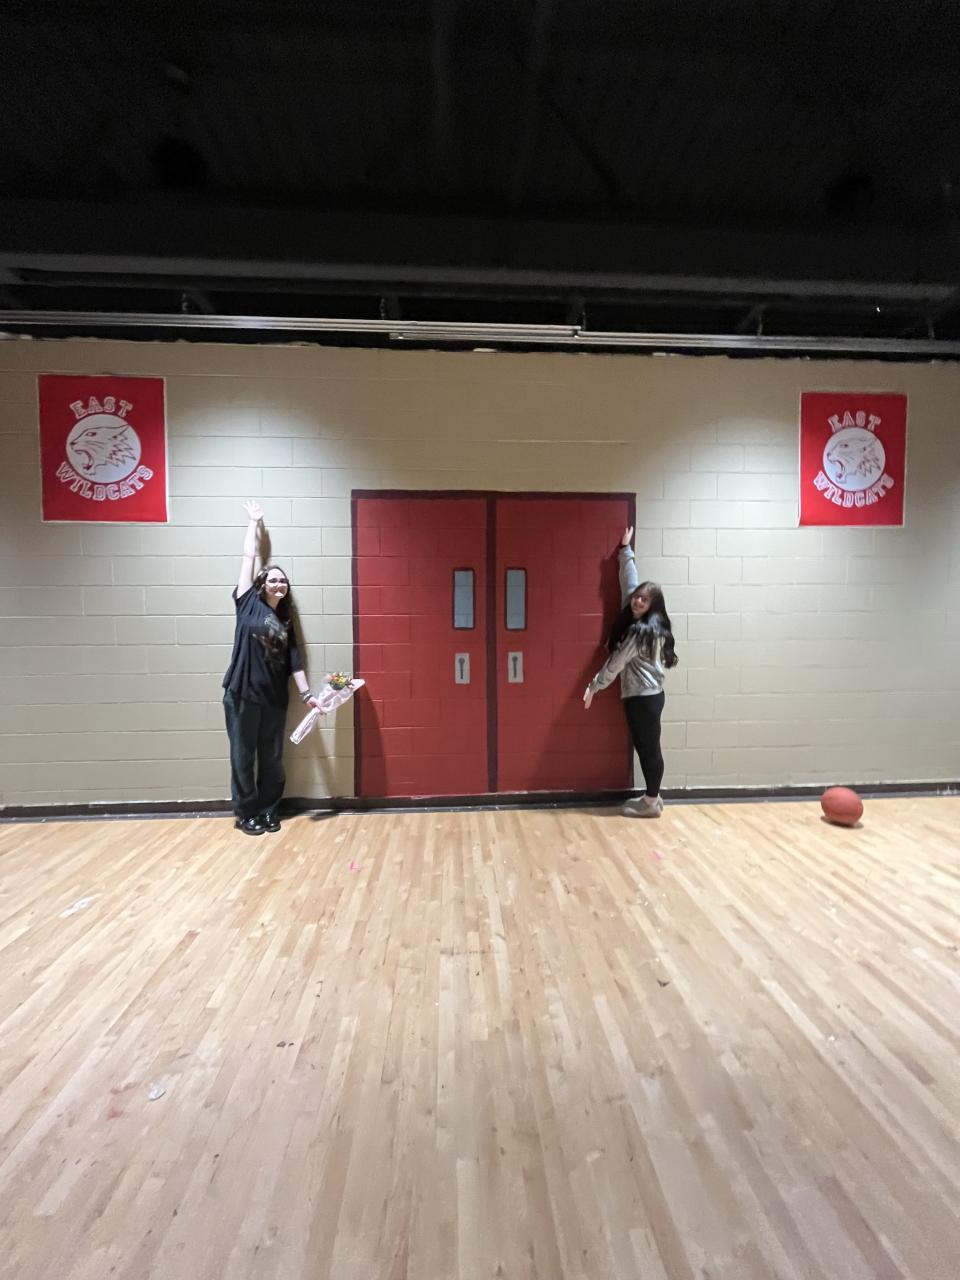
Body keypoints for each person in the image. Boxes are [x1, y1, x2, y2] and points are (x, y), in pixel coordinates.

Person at [222, 500, 319, 835]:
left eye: (284, 581)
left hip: (275, 699)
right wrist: (254, 522)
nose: (279, 584)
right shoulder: (247, 602)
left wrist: (307, 695)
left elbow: (294, 661)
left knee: (272, 759)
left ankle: (268, 810)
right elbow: (248, 557)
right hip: (242, 695)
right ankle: (246, 813)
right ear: (263, 584)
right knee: (243, 757)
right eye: (274, 579)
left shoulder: (286, 620)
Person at [583, 526, 679, 818]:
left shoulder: (640, 632)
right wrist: (626, 551)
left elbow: (616, 663)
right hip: (647, 696)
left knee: (647, 748)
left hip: (643, 698)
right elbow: (630, 581)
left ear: (652, 607)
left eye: (643, 600)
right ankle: (654, 797)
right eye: (638, 597)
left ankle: (650, 802)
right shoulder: (637, 615)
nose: (637, 601)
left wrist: (594, 686)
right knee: (647, 745)